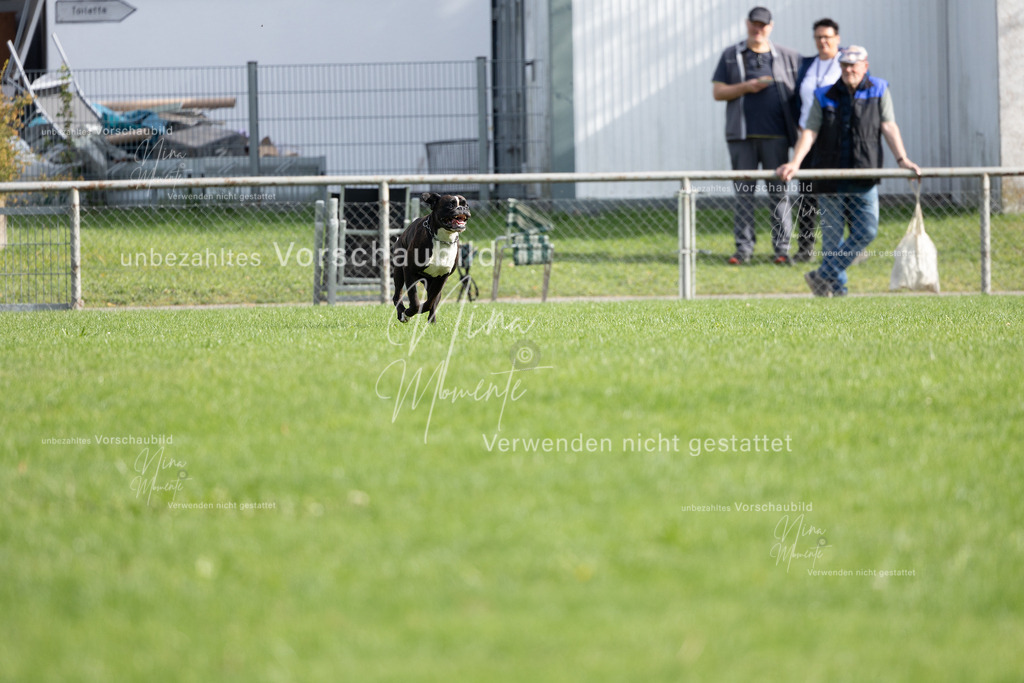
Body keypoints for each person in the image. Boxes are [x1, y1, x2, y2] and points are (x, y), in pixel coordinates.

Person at [776, 45, 921, 297]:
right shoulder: (825, 95)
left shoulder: (879, 89)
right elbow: (810, 131)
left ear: (865, 65)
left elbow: (889, 126)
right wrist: (795, 163)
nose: (849, 69)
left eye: (854, 64)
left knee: (867, 231)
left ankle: (822, 276)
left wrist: (903, 159)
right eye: (844, 65)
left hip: (863, 176)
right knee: (831, 240)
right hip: (829, 177)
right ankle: (837, 290)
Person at [712, 6, 802, 265]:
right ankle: (743, 250)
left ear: (770, 27)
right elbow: (718, 93)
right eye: (754, 24)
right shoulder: (732, 55)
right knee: (743, 195)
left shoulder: (787, 56)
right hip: (741, 138)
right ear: (746, 24)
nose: (758, 29)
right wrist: (746, 87)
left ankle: (782, 251)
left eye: (763, 25)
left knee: (779, 196)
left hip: (777, 139)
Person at [792, 18, 843, 262]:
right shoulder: (807, 65)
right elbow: (796, 99)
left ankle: (847, 246)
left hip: (834, 140)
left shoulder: (846, 63)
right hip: (807, 138)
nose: (823, 41)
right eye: (819, 37)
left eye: (827, 37)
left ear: (837, 39)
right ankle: (805, 247)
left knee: (838, 191)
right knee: (807, 193)